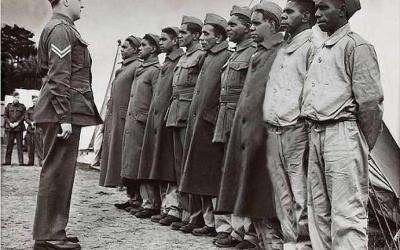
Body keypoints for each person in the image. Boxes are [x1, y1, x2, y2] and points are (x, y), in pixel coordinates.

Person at [302, 0, 383, 249]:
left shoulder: (357, 46)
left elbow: (370, 103)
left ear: (342, 10)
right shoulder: (321, 48)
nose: (317, 14)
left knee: (346, 214)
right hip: (316, 132)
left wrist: (359, 144)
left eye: (324, 7)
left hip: (343, 133)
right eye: (316, 8)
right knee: (318, 212)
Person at [32, 0, 102, 249]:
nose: (82, 5)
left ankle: (52, 231)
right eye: (79, 0)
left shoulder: (61, 28)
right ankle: (50, 235)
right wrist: (64, 116)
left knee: (59, 173)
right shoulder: (61, 29)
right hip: (60, 112)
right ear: (67, 1)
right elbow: (58, 75)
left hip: (59, 110)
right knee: (57, 173)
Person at [216, 2, 285, 249]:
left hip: (264, 131)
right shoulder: (260, 52)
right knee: (247, 181)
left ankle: (268, 239)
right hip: (246, 128)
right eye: (252, 23)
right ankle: (253, 235)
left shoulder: (281, 52)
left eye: (257, 23)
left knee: (262, 186)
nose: (252, 28)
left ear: (273, 25)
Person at [262, 0, 316, 249]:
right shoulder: (285, 47)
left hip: (296, 130)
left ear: (306, 17)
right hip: (274, 129)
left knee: (300, 192)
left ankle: (303, 244)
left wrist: (301, 122)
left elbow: (312, 91)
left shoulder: (312, 46)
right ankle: (289, 241)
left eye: (290, 12)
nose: (283, 16)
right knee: (281, 192)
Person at [178, 13, 231, 237]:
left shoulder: (225, 55)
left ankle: (215, 224)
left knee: (210, 176)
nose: (202, 38)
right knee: (197, 173)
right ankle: (201, 218)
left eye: (206, 34)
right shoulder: (208, 56)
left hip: (210, 125)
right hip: (198, 122)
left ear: (218, 37)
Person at [211, 5, 258, 248]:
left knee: (241, 175)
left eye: (233, 25)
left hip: (240, 119)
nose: (228, 29)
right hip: (223, 118)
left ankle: (244, 232)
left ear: (247, 28)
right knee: (223, 173)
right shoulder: (234, 54)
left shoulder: (253, 54)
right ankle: (227, 227)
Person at [137, 27, 185, 226]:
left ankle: (173, 208)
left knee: (170, 166)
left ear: (174, 41)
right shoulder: (169, 62)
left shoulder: (178, 61)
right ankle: (166, 206)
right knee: (161, 164)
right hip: (160, 119)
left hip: (169, 118)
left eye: (165, 39)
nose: (162, 42)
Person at [164, 15, 206, 231]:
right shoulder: (183, 58)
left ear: (196, 35)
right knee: (179, 166)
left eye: (183, 33)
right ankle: (183, 211)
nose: (180, 36)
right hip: (176, 112)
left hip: (189, 113)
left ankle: (196, 215)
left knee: (191, 166)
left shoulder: (201, 56)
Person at [99, 35, 143, 212]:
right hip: (116, 118)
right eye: (122, 47)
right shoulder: (125, 67)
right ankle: (131, 196)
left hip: (127, 120)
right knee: (120, 159)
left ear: (135, 49)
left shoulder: (137, 66)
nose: (122, 50)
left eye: (126, 47)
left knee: (130, 160)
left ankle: (137, 198)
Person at [120, 34, 161, 218]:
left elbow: (156, 99)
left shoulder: (155, 70)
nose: (140, 48)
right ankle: (136, 198)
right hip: (134, 122)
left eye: (144, 45)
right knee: (132, 162)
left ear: (153, 49)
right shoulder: (142, 69)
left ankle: (149, 203)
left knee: (144, 163)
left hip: (144, 123)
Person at [3, 91, 26, 166]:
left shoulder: (22, 106)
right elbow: (5, 116)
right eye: (15, 97)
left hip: (19, 128)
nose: (16, 99)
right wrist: (10, 123)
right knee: (9, 145)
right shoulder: (8, 106)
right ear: (13, 97)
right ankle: (7, 161)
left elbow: (23, 116)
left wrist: (18, 123)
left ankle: (21, 162)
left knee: (19, 146)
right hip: (10, 128)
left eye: (18, 97)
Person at [25, 95, 39, 166]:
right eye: (34, 101)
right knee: (30, 147)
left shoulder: (41, 109)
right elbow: (26, 118)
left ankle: (40, 162)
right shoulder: (29, 109)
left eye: (36, 101)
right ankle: (30, 162)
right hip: (30, 130)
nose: (35, 102)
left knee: (39, 147)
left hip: (38, 130)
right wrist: (31, 122)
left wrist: (36, 122)